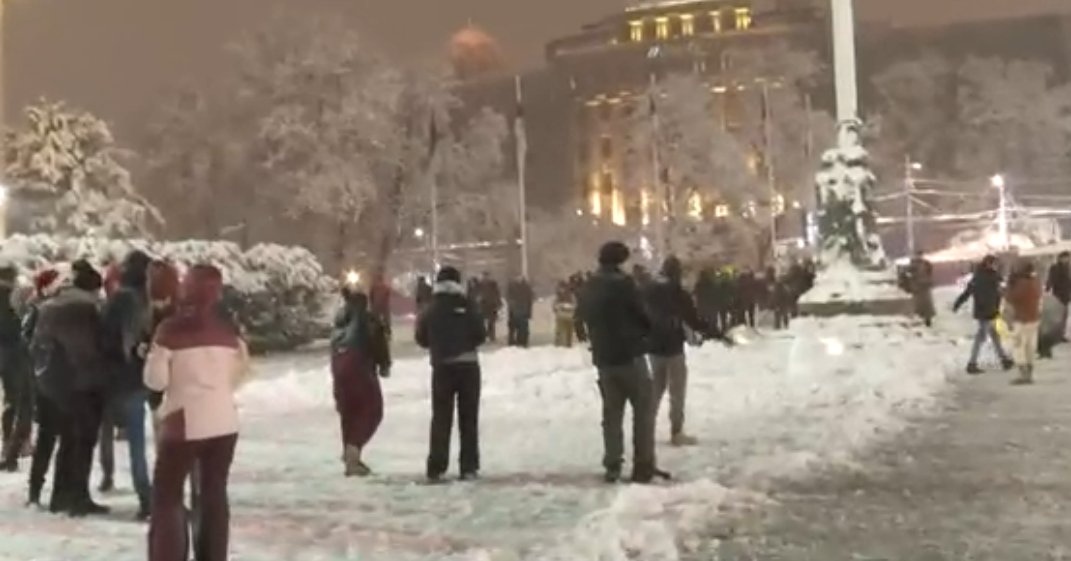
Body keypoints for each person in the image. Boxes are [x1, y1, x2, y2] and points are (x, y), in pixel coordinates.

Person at [146, 264, 249, 561]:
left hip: (184, 420)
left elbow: (156, 380)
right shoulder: (228, 329)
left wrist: (150, 357)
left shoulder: (171, 329)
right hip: (224, 420)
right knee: (213, 493)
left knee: (168, 496)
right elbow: (239, 373)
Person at [30, 261, 111, 516]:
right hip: (78, 385)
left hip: (50, 382)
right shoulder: (82, 310)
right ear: (92, 289)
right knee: (80, 443)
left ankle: (60, 496)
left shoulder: (51, 305)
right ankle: (77, 498)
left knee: (67, 441)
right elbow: (84, 351)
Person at [580, 241, 662, 484]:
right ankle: (643, 464)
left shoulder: (590, 285)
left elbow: (582, 317)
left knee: (612, 413)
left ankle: (613, 463)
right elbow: (642, 315)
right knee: (643, 411)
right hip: (630, 355)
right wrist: (646, 333)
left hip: (604, 358)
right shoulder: (625, 284)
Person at [645, 256, 730, 447]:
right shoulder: (678, 294)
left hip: (653, 347)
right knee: (677, 391)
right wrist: (717, 334)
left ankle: (645, 430)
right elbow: (694, 320)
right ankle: (676, 432)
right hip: (673, 347)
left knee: (655, 389)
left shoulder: (648, 290)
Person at [415, 266, 486, 483]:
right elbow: (480, 334)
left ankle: (436, 466)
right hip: (469, 366)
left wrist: (439, 345)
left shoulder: (431, 308)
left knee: (441, 417)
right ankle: (469, 466)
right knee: (469, 418)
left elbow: (421, 337)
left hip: (443, 368)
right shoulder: (469, 305)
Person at [101, 250, 155, 519]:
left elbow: (110, 339)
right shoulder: (144, 301)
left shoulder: (118, 300)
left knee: (112, 434)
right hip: (138, 376)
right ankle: (147, 497)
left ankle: (113, 477)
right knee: (137, 443)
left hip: (117, 376)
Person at [330, 287, 391, 476]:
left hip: (339, 373)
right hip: (361, 371)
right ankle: (353, 451)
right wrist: (384, 364)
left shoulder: (339, 323)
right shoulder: (368, 320)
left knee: (349, 414)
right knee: (372, 411)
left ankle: (351, 457)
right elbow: (378, 343)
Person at [24, 268, 63, 505]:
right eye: (57, 282)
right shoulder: (38, 309)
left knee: (49, 438)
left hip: (48, 378)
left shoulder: (47, 307)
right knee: (47, 438)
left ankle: (42, 490)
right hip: (45, 380)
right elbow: (28, 341)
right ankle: (35, 489)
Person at [953, 254, 1015, 374]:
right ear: (988, 264)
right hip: (986, 312)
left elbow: (968, 292)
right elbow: (1001, 291)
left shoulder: (982, 276)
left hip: (988, 310)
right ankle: (972, 363)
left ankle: (1004, 360)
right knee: (981, 337)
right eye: (994, 264)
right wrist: (958, 303)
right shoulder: (989, 277)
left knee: (994, 335)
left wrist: (958, 303)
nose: (995, 266)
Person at [0, 266, 34, 472]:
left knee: (11, 402)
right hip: (14, 356)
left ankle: (8, 445)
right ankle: (14, 448)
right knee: (21, 402)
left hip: (5, 355)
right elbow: (14, 329)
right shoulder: (10, 298)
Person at [1005, 261, 1042, 385]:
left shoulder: (1020, 284)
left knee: (1018, 347)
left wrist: (1009, 285)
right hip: (1034, 318)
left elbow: (1010, 298)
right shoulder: (1035, 282)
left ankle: (1023, 374)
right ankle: (1030, 374)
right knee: (1030, 347)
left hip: (1020, 320)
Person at [1045, 251, 1070, 341]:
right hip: (1058, 295)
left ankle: (1061, 334)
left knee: (1064, 316)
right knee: (1057, 316)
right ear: (1061, 258)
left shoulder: (1067, 268)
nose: (1067, 259)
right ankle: (1057, 334)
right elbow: (1050, 279)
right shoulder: (1055, 268)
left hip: (1066, 295)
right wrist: (1047, 289)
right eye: (1066, 258)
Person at [906, 252, 936, 327]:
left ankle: (927, 320)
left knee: (926, 304)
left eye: (920, 255)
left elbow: (930, 272)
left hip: (923, 286)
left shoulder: (926, 263)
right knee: (920, 304)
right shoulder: (913, 265)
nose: (919, 257)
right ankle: (922, 319)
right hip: (918, 287)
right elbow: (907, 273)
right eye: (918, 255)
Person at [506, 276, 535, 348]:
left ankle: (514, 342)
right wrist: (529, 312)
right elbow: (530, 300)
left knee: (514, 328)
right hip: (522, 311)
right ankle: (522, 342)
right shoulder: (527, 287)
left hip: (516, 311)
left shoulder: (512, 286)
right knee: (522, 328)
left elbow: (509, 298)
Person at [477, 272, 502, 344]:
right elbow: (497, 293)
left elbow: (497, 293)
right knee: (487, 321)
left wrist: (498, 303)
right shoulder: (480, 284)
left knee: (489, 321)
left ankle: (489, 336)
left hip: (488, 305)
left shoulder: (490, 284)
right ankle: (489, 336)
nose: (486, 278)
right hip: (486, 304)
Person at [552, 281, 576, 348]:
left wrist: (558, 308)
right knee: (567, 330)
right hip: (568, 315)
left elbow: (554, 306)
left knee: (562, 330)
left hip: (562, 315)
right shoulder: (570, 295)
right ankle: (567, 344)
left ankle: (560, 343)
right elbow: (575, 305)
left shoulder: (559, 296)